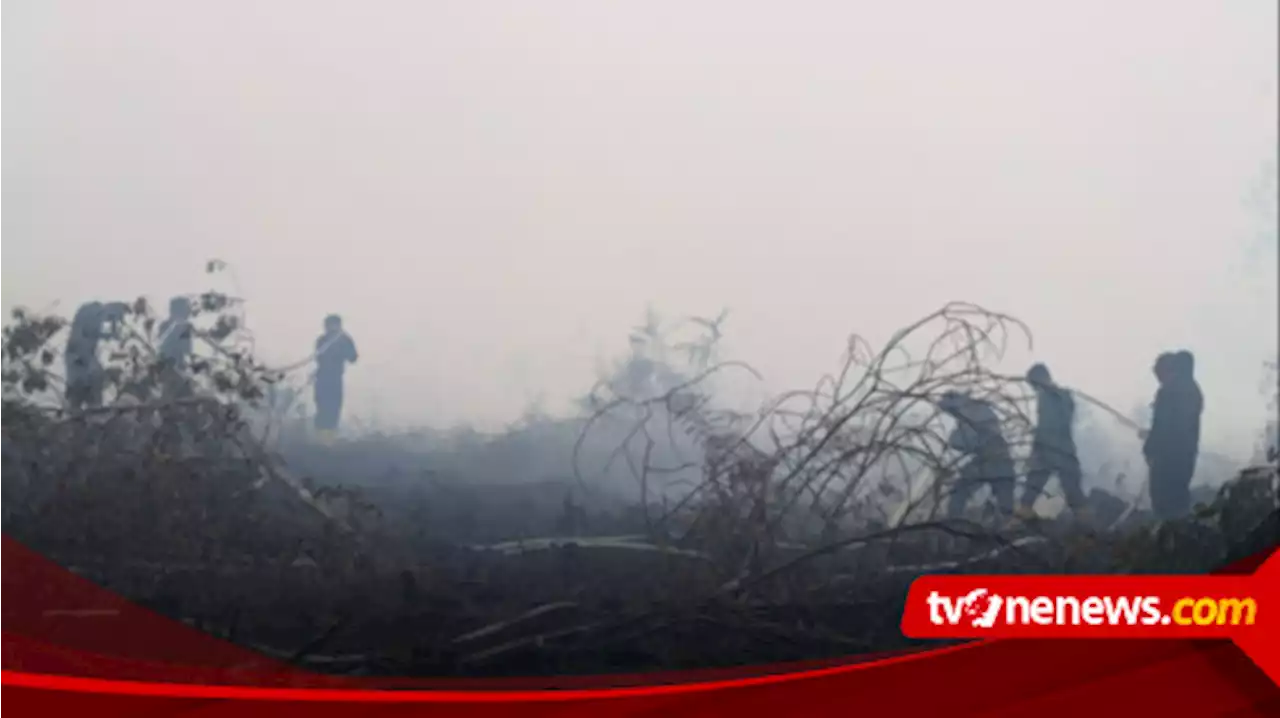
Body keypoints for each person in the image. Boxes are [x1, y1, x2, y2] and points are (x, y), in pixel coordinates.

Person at [1017, 363, 1086, 520]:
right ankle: (1019, 521)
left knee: (1073, 491)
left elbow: (1058, 422)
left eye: (1034, 383)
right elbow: (1043, 426)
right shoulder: (1047, 396)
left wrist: (1036, 451)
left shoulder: (1061, 396)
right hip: (1053, 451)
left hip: (1057, 451)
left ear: (1042, 378)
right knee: (1032, 488)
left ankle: (1088, 529)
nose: (1033, 388)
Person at [1143, 350, 1203, 520]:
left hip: (1166, 459)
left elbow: (1162, 425)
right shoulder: (1194, 391)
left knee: (1162, 498)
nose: (1158, 379)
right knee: (1179, 496)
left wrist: (1149, 446)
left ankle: (1167, 537)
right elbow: (1178, 426)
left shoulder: (1168, 392)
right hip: (1187, 456)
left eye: (1159, 373)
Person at [938, 391, 1016, 519]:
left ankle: (953, 524)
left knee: (959, 493)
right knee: (1005, 502)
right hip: (998, 460)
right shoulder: (974, 411)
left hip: (992, 460)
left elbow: (961, 441)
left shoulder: (972, 412)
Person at [63, 301, 128, 410]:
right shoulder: (93, 315)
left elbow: (103, 333)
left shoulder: (91, 317)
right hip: (80, 366)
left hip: (79, 364)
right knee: (91, 384)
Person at [313, 314, 358, 440]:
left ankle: (329, 440)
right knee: (322, 407)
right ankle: (319, 439)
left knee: (334, 409)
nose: (330, 328)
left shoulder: (344, 340)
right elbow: (318, 357)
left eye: (333, 325)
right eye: (328, 325)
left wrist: (345, 343)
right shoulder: (322, 340)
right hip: (322, 379)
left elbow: (353, 358)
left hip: (335, 379)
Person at [156, 296, 194, 399]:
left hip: (177, 369)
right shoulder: (166, 326)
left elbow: (187, 351)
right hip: (169, 370)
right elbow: (161, 348)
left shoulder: (184, 327)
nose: (188, 312)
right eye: (186, 309)